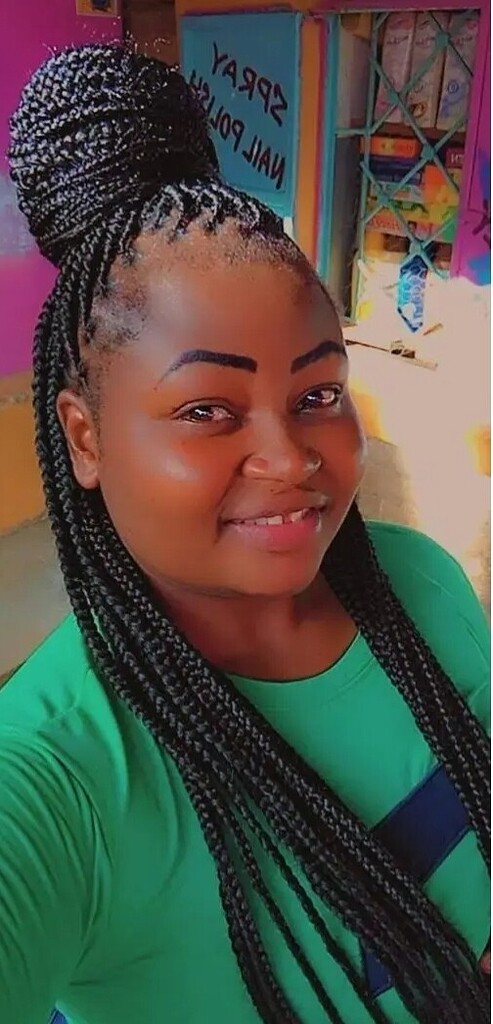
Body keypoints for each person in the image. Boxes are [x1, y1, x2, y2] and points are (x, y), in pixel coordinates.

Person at [1, 44, 489, 1024]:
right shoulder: (60, 774)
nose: (289, 457)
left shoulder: (424, 587)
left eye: (317, 394)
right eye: (207, 410)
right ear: (85, 437)